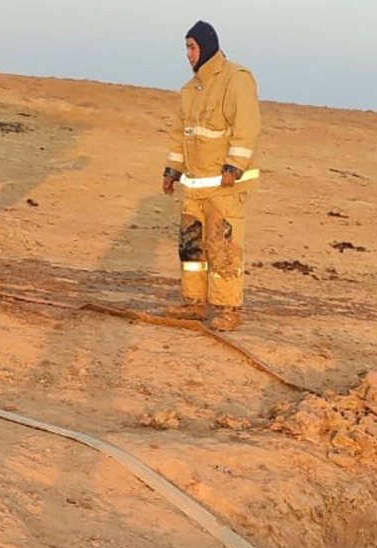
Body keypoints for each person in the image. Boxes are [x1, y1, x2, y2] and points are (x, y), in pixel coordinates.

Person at [162, 21, 262, 332]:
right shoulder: (189, 90)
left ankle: (228, 309)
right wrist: (172, 171)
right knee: (191, 249)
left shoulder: (236, 79)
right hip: (194, 187)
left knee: (223, 247)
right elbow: (180, 134)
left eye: (192, 47)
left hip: (224, 187)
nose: (188, 54)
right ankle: (194, 304)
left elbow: (248, 126)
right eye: (186, 48)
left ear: (206, 46)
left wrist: (234, 165)